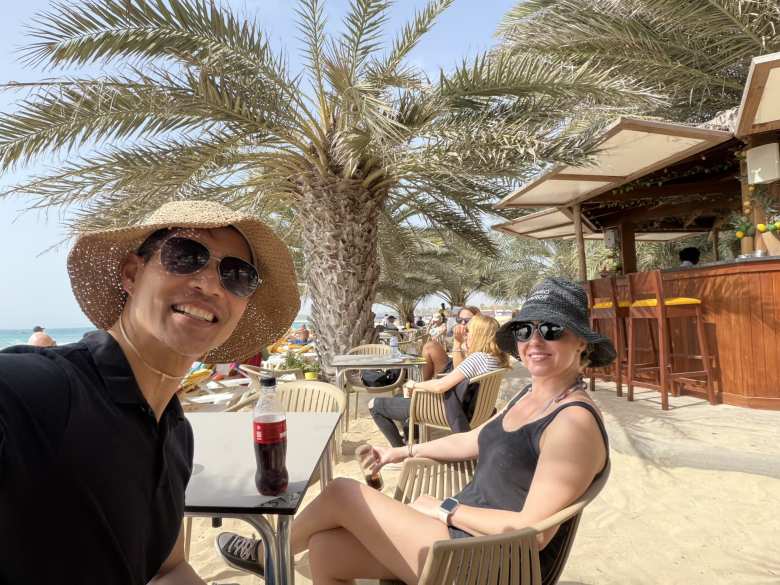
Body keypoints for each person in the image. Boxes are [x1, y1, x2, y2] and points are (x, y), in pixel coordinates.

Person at [216, 277, 614, 584]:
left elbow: (532, 533)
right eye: (526, 330)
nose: (534, 341)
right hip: (464, 540)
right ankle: (272, 553)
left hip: (494, 562)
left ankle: (266, 554)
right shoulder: (532, 394)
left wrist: (447, 508)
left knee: (341, 492)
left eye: (552, 330)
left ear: (582, 342)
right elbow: (475, 439)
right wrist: (400, 453)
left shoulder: (572, 422)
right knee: (324, 549)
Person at [0, 200, 300, 585]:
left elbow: (167, 570)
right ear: (131, 273)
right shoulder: (41, 390)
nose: (209, 283)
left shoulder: (176, 434)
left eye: (237, 275)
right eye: (186, 256)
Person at [368, 314, 509, 447]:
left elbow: (440, 386)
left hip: (442, 410)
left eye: (469, 331)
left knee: (375, 405)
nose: (466, 335)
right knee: (400, 398)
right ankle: (411, 437)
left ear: (479, 335)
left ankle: (399, 452)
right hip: (471, 411)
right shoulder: (495, 359)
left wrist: (414, 385)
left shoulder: (478, 358)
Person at [420, 306, 480, 380]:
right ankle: (424, 385)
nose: (462, 322)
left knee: (430, 347)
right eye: (459, 319)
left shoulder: (478, 338)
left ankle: (424, 387)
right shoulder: (465, 334)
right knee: (431, 346)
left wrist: (457, 342)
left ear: (478, 321)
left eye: (467, 320)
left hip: (459, 375)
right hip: (454, 365)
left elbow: (459, 371)